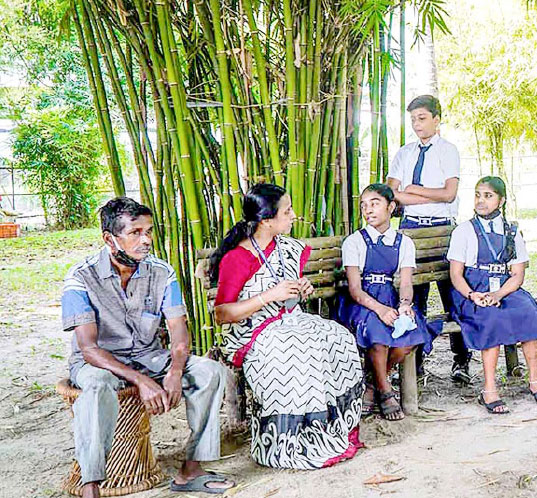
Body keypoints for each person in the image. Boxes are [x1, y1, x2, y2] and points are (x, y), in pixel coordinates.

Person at [63, 198, 233, 496]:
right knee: (97, 385)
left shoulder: (162, 272)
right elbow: (88, 349)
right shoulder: (80, 277)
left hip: (148, 356)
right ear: (109, 239)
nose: (146, 240)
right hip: (99, 363)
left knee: (210, 372)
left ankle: (191, 470)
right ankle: (91, 486)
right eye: (135, 232)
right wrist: (141, 381)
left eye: (149, 231)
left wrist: (175, 371)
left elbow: (178, 330)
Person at [210, 184, 363, 469]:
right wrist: (269, 296)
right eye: (287, 211)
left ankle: (328, 430)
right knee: (297, 350)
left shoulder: (285, 248)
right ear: (266, 220)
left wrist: (301, 288)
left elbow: (287, 293)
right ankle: (288, 441)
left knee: (337, 337)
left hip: (290, 321)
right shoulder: (238, 258)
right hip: (253, 332)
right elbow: (222, 314)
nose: (294, 215)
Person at [447, 177, 537, 414]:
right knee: (491, 318)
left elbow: (517, 275)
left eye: (488, 196)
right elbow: (455, 274)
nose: (481, 201)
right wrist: (473, 295)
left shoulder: (511, 231)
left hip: (505, 288)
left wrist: (498, 293)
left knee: (530, 314)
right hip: (472, 290)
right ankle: (489, 389)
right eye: (478, 195)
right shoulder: (463, 231)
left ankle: (535, 380)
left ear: (501, 200)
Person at [385, 94, 471, 384]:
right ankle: (416, 361)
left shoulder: (448, 151)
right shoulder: (404, 153)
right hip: (411, 228)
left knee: (452, 296)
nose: (417, 125)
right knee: (413, 296)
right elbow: (391, 193)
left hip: (442, 230)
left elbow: (449, 194)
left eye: (422, 118)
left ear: (437, 119)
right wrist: (420, 194)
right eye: (413, 120)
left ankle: (461, 360)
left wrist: (412, 190)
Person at [334, 184, 437, 421]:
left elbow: (406, 282)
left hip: (390, 298)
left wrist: (405, 304)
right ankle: (386, 392)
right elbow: (355, 289)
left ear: (391, 207)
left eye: (375, 204)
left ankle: (371, 384)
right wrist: (380, 310)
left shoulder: (404, 242)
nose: (368, 210)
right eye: (364, 205)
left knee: (409, 339)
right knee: (378, 336)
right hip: (361, 303)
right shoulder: (355, 241)